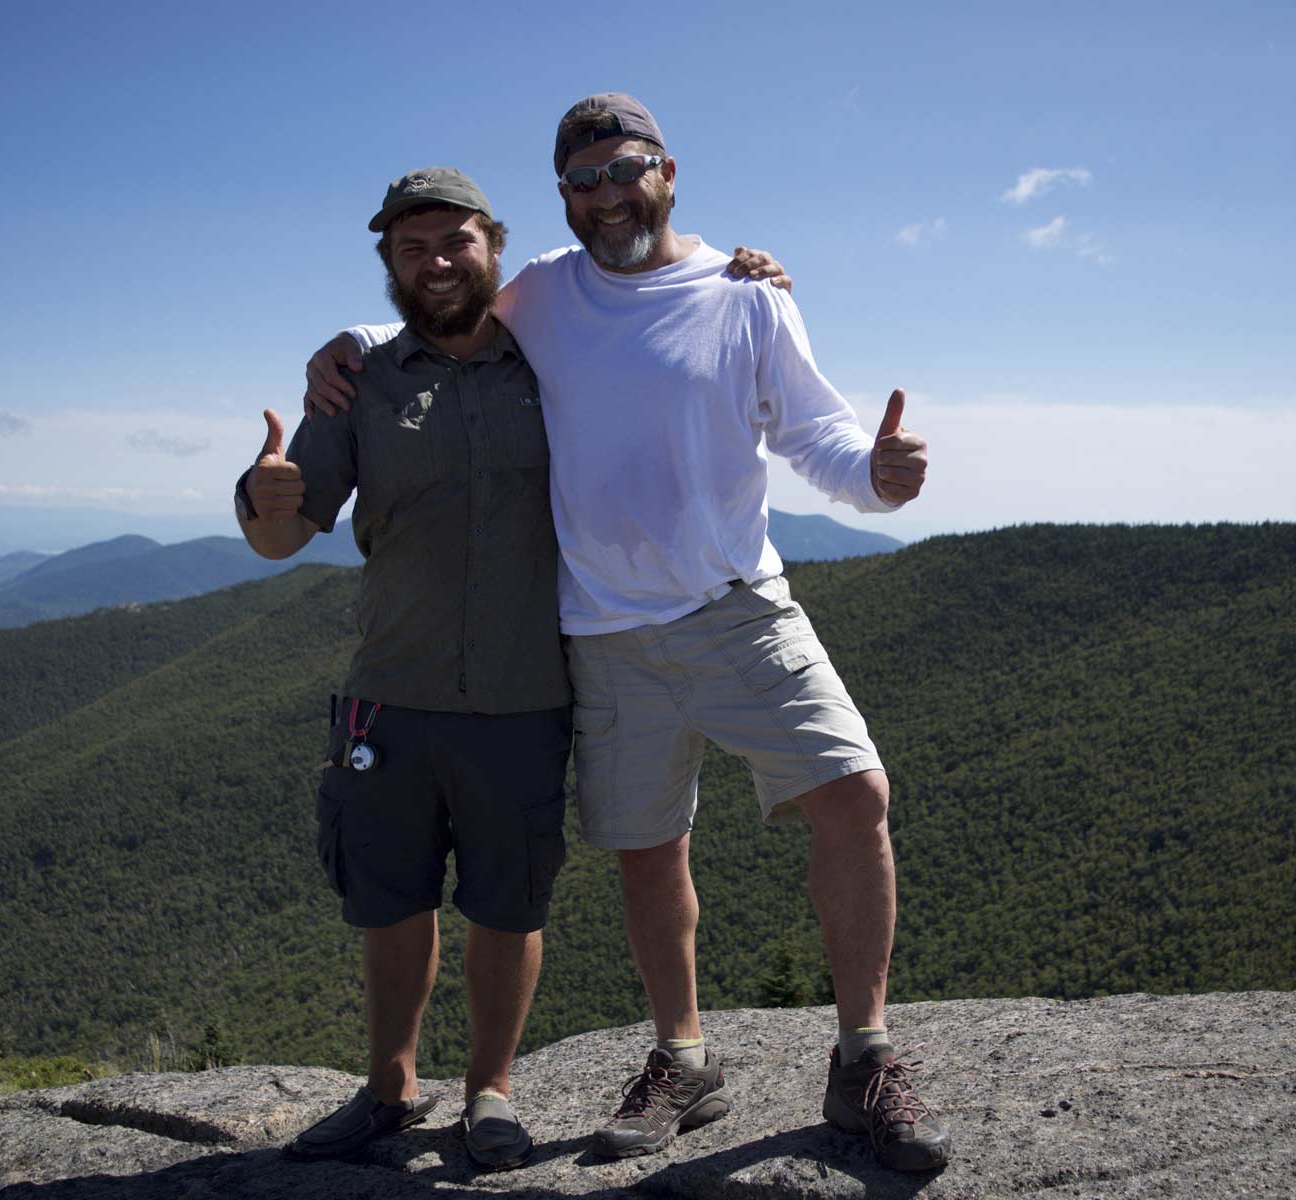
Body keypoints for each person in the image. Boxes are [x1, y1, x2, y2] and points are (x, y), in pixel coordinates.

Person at [309, 93, 943, 1173]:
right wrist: (351, 344)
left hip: (739, 605)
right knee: (650, 851)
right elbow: (441, 304)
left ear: (670, 171)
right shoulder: (547, 292)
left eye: (627, 169)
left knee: (855, 794)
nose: (608, 194)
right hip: (600, 631)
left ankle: (863, 1058)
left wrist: (875, 481)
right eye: (585, 180)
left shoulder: (746, 298)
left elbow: (817, 432)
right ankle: (683, 1059)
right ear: (563, 197)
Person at [239, 166, 788, 1171]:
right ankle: (390, 1089)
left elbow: (656, 311)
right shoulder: (360, 377)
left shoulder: (557, 353)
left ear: (495, 247)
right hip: (388, 697)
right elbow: (283, 535)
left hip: (524, 694)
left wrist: (746, 280)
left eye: (456, 243)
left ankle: (489, 1091)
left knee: (506, 904)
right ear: (389, 266)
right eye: (413, 248)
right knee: (391, 899)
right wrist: (266, 498)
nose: (437, 262)